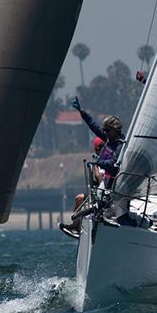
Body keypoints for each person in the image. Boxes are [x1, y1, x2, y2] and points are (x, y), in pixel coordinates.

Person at [59, 98, 126, 238]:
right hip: (102, 185)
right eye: (105, 130)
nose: (105, 132)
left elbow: (114, 165)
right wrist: (81, 112)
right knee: (82, 199)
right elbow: (93, 126)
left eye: (107, 130)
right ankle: (76, 226)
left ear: (115, 130)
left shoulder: (120, 145)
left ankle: (93, 226)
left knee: (96, 203)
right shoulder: (109, 139)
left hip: (112, 185)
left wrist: (98, 162)